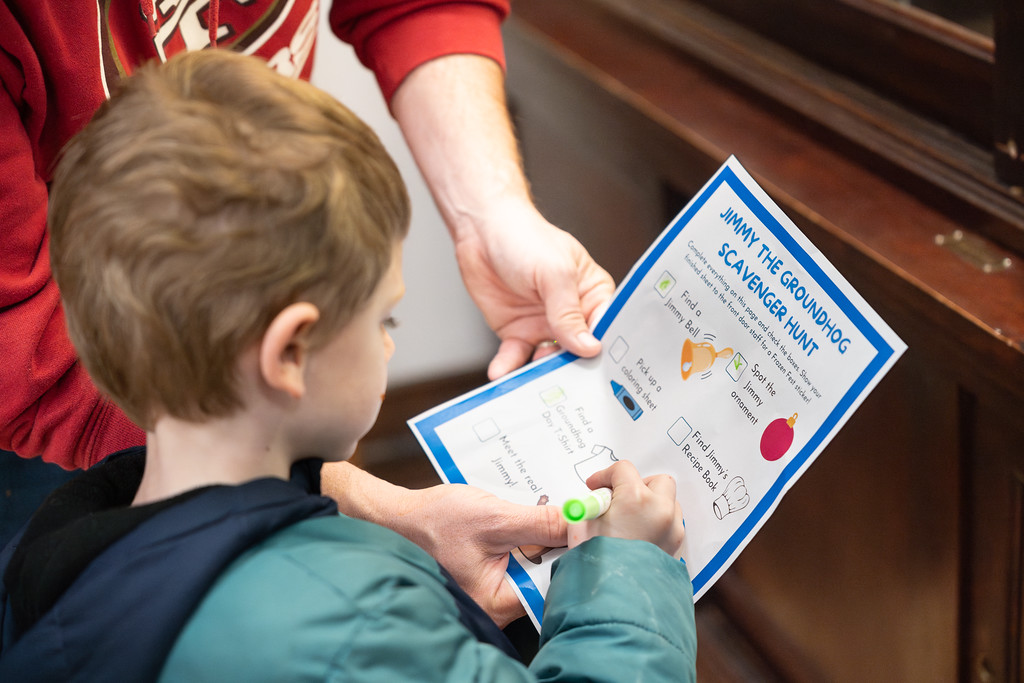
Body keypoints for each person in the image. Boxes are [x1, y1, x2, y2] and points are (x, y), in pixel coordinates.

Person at [0, 50, 695, 680]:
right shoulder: (355, 626)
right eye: (382, 319)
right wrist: (629, 581)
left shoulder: (61, 550)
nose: (388, 343)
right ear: (290, 352)